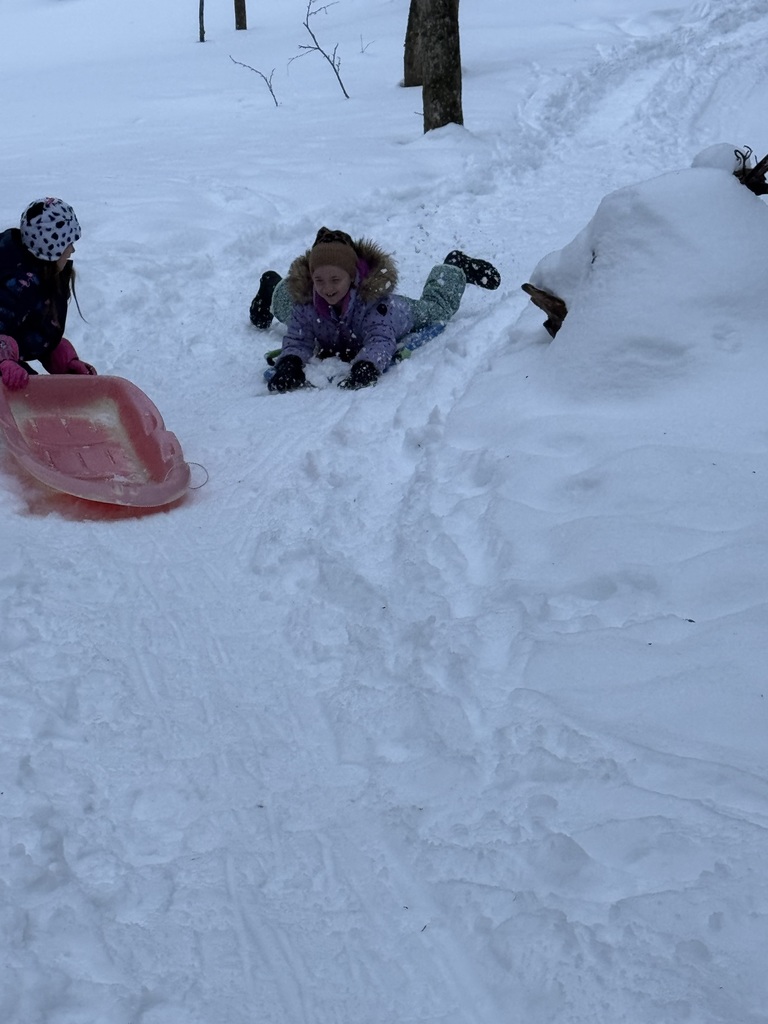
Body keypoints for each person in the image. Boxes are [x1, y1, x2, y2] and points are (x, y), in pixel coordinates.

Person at [250, 227, 501, 391]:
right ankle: (273, 285)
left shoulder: (376, 306)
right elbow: (298, 336)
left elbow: (381, 340)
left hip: (396, 315)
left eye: (336, 280)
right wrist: (290, 362)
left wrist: (368, 365)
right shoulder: (309, 298)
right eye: (319, 281)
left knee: (436, 310)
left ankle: (453, 267)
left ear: (352, 277)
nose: (327, 289)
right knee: (291, 307)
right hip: (320, 317)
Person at [0, 197, 97, 391]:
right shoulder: (15, 287)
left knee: (44, 397)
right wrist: (3, 363)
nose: (72, 250)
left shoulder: (43, 279)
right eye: (68, 243)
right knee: (29, 399)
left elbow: (35, 329)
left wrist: (64, 361)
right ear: (51, 249)